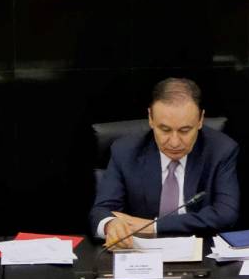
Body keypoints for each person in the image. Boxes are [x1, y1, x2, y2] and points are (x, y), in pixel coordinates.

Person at [91, 78, 239, 247]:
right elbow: (101, 211)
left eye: (185, 130)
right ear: (150, 118)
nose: (174, 142)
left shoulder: (221, 150)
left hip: (200, 251)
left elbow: (226, 214)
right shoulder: (125, 151)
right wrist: (111, 224)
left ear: (200, 120)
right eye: (165, 130)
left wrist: (153, 226)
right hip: (139, 251)